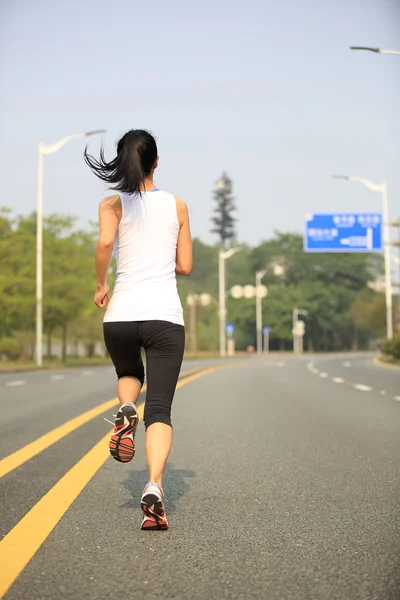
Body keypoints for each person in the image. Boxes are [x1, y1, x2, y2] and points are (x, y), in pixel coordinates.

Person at [84, 129, 193, 530]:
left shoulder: (111, 203)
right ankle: (153, 487)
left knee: (129, 374)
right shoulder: (177, 205)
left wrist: (100, 284)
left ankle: (126, 408)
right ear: (156, 162)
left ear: (122, 161)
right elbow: (185, 267)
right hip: (164, 317)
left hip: (120, 316)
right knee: (160, 410)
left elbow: (104, 243)